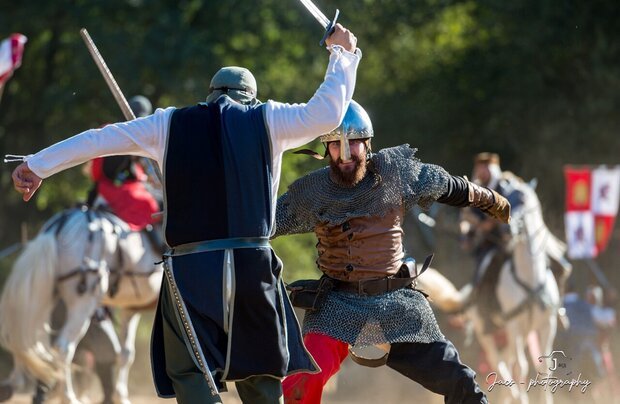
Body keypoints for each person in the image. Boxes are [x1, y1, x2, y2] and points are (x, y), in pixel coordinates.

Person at [10, 25, 361, 404]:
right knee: (260, 371)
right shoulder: (269, 119)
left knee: (190, 372)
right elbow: (326, 113)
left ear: (209, 95)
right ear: (251, 97)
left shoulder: (168, 123)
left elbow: (97, 140)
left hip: (193, 273)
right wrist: (342, 55)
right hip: (251, 267)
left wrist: (36, 165)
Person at [274, 101, 510, 404]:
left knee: (459, 381)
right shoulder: (313, 191)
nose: (345, 154)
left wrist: (488, 198)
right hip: (337, 303)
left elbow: (446, 184)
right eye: (336, 145)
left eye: (353, 143)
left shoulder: (396, 173)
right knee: (301, 381)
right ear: (326, 146)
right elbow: (263, 223)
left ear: (367, 144)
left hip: (395, 302)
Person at [458, 153, 571, 332]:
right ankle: (486, 316)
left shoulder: (507, 186)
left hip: (518, 239)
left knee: (560, 266)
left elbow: (514, 209)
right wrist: (467, 231)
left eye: (486, 166)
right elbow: (466, 218)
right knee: (482, 275)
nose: (482, 171)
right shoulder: (475, 191)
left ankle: (558, 309)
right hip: (493, 245)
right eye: (480, 167)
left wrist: (491, 222)